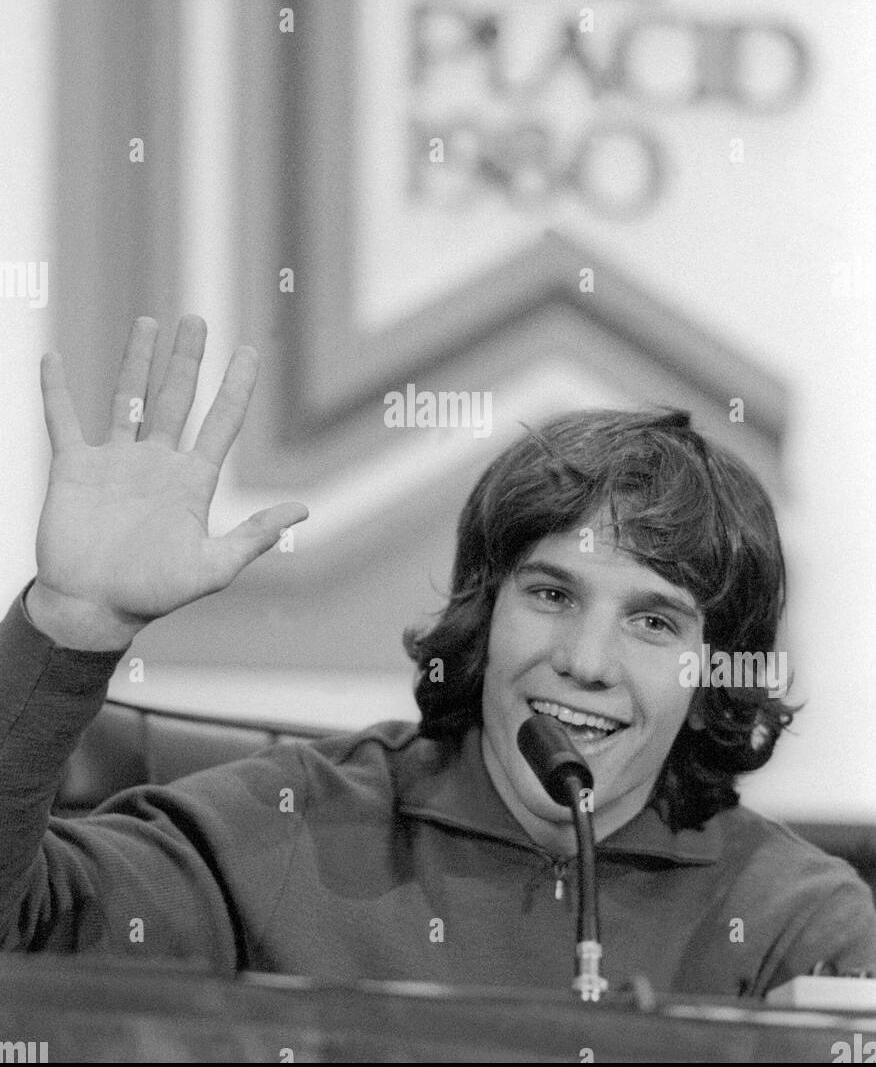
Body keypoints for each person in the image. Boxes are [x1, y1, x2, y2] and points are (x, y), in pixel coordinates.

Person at [1, 314, 874, 997]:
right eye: (552, 595)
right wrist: (71, 627)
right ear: (484, 614)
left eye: (655, 623)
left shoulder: (799, 923)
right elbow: (22, 935)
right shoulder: (287, 828)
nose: (587, 661)